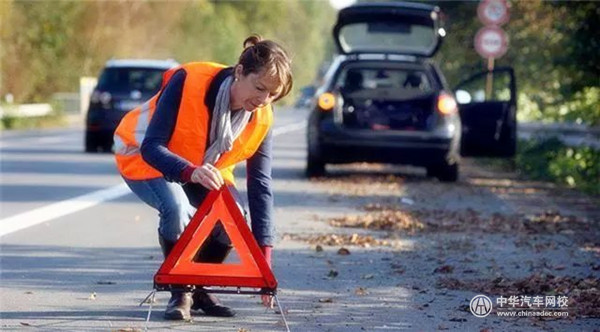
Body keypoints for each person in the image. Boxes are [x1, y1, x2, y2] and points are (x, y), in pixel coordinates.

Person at [113, 34, 292, 321]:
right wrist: (191, 172)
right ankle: (180, 292)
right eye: (259, 88)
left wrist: (264, 258)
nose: (263, 101)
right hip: (145, 158)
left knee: (234, 219)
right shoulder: (188, 80)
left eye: (273, 95)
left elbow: (260, 184)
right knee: (176, 208)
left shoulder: (262, 117)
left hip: (202, 169)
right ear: (239, 72)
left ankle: (198, 287)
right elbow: (152, 146)